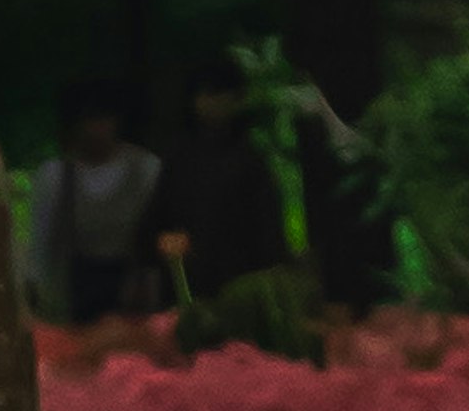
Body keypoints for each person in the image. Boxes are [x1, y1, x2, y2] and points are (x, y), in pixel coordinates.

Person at [146, 66, 289, 319]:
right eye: (202, 95)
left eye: (217, 94)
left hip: (241, 283)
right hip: (187, 280)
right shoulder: (178, 155)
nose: (208, 103)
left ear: (236, 99)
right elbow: (158, 218)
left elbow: (268, 230)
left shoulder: (251, 158)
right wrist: (165, 241)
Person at [23, 99, 165, 324]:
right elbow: (41, 237)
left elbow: (158, 228)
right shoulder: (56, 174)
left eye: (103, 120)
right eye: (88, 121)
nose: (96, 129)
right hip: (77, 285)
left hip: (132, 283)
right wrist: (36, 285)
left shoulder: (145, 168)